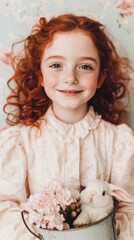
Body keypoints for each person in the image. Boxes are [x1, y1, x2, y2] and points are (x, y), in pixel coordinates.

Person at [0, 13, 134, 240]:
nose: (70, 77)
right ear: (40, 75)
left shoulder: (116, 142)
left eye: (85, 66)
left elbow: (127, 210)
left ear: (100, 78)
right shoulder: (21, 142)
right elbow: (5, 207)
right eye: (56, 65)